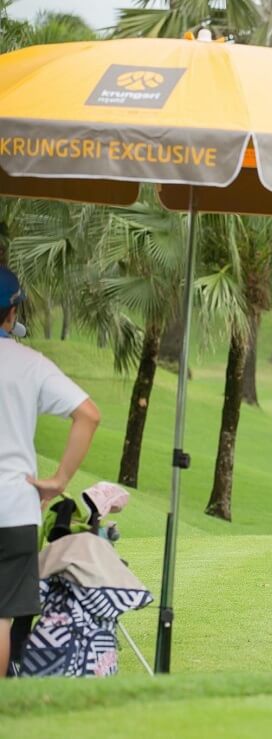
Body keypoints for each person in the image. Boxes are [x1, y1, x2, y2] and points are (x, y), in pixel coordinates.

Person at [0, 266, 100, 678]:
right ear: (12, 312)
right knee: (2, 618)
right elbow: (87, 415)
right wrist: (58, 481)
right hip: (12, 508)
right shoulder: (29, 363)